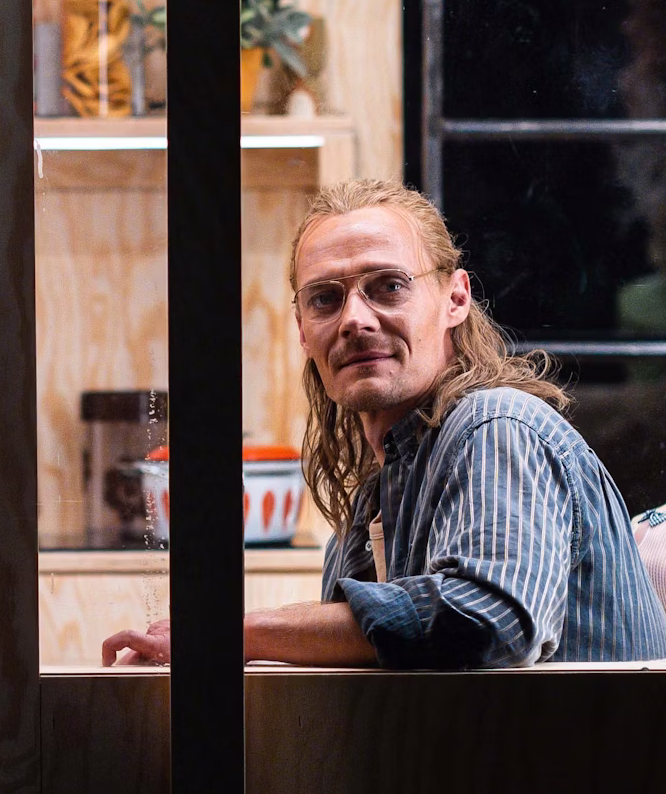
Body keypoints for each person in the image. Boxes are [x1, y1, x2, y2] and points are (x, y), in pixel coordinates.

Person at [102, 178, 666, 670]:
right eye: (325, 299)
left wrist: (229, 633)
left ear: (455, 298)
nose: (354, 319)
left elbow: (485, 619)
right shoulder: (372, 503)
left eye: (389, 286)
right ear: (303, 331)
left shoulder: (497, 426)